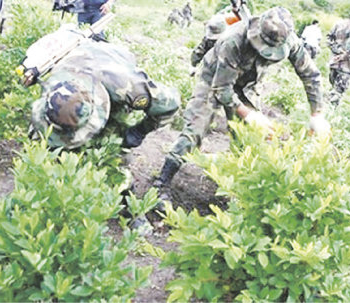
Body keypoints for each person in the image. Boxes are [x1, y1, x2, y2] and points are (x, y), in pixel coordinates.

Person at [154, 7, 329, 202]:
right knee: (195, 128)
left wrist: (317, 114)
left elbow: (311, 75)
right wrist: (250, 115)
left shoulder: (290, 40)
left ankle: (236, 189)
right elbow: (222, 90)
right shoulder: (234, 40)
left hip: (247, 85)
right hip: (214, 78)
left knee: (247, 138)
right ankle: (162, 183)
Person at [27, 26, 180, 149]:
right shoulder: (56, 81)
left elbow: (171, 104)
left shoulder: (129, 87)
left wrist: (140, 131)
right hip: (82, 56)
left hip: (114, 59)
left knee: (114, 137)